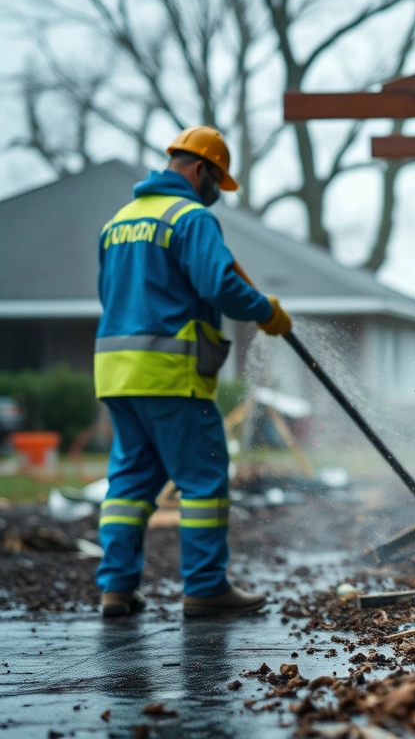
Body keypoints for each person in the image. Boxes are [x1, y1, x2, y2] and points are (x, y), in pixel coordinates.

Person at [94, 126, 292, 618]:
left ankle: (116, 589)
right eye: (217, 182)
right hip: (170, 373)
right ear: (201, 169)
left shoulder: (118, 222)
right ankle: (205, 588)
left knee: (129, 484)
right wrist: (264, 310)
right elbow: (219, 285)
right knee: (203, 479)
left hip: (116, 374)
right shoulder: (190, 217)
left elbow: (110, 295)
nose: (216, 194)